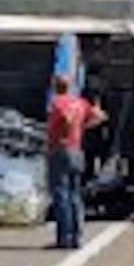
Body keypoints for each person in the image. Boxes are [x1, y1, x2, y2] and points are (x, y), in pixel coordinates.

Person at [46, 73, 106, 249]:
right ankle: (77, 235)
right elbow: (101, 116)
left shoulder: (58, 103)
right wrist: (82, 127)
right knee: (75, 194)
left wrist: (64, 130)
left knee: (61, 194)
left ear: (55, 86)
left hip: (60, 149)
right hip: (76, 150)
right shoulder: (80, 102)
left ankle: (64, 237)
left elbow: (65, 117)